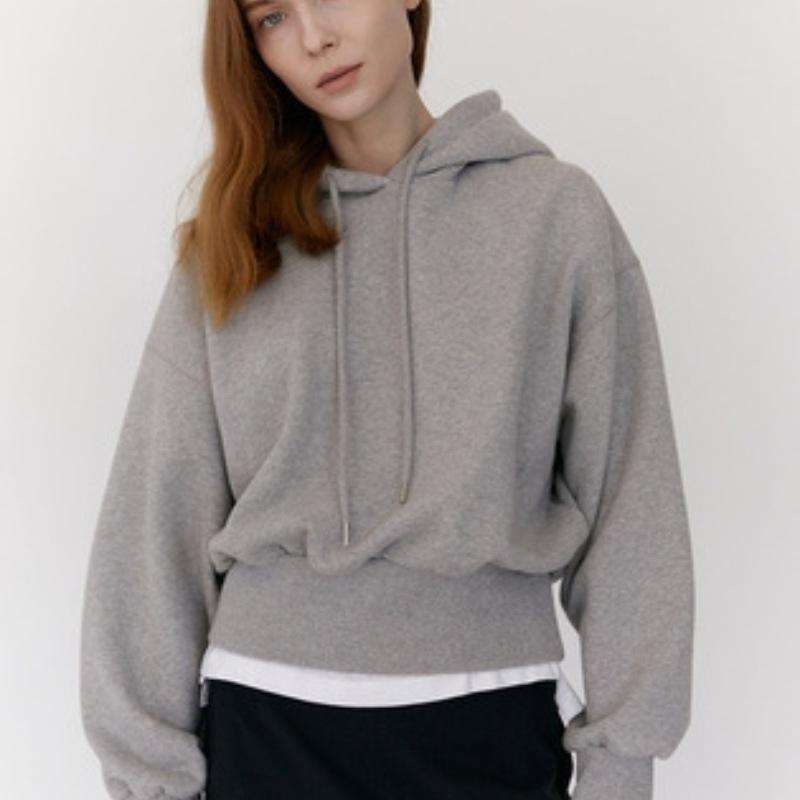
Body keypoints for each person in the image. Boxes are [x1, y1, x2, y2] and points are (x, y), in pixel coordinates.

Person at [78, 1, 695, 799]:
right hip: (266, 734)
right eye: (271, 17)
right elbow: (154, 520)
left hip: (489, 727)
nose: (314, 37)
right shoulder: (233, 246)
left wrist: (621, 766)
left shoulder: (554, 217)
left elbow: (630, 505)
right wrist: (148, 781)